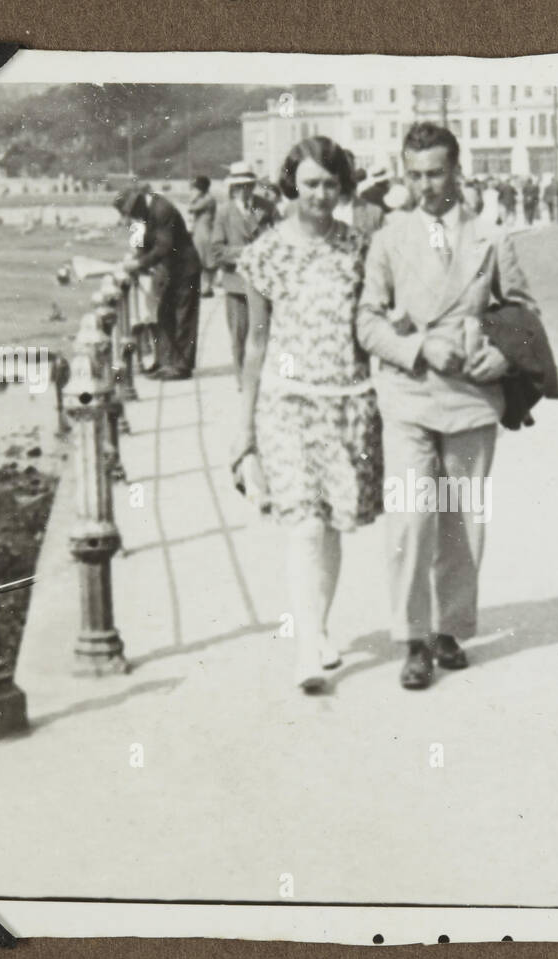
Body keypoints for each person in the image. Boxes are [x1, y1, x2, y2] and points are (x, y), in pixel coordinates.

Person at [357, 122, 538, 691]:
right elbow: (366, 320)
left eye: (436, 173)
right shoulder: (388, 238)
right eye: (414, 175)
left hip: (470, 400)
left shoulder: (491, 237)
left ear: (457, 171)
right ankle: (412, 639)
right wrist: (414, 346)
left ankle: (449, 629)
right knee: (412, 519)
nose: (426, 186)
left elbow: (525, 317)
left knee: (461, 521)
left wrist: (505, 360)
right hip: (409, 394)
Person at [231, 137, 384, 692]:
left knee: (334, 524)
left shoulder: (360, 248)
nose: (320, 194)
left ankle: (319, 628)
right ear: (291, 183)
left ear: (343, 187)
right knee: (304, 525)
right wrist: (243, 430)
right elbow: (255, 344)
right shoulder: (264, 253)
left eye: (330, 184)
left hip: (347, 402)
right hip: (285, 403)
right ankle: (306, 651)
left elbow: (376, 324)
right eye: (310, 182)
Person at [112, 184, 202, 381]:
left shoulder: (162, 210)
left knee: (183, 316)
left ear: (139, 202)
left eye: (131, 212)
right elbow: (145, 242)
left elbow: (163, 246)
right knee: (164, 315)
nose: (132, 216)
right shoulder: (147, 209)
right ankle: (164, 361)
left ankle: (181, 366)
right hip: (171, 270)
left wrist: (138, 263)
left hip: (185, 269)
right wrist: (138, 258)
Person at [211, 160, 275, 390]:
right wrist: (248, 252)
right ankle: (243, 380)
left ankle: (262, 377)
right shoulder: (223, 213)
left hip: (264, 283)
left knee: (263, 332)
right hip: (236, 284)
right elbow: (217, 251)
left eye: (249, 185)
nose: (246, 190)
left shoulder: (266, 208)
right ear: (233, 188)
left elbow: (278, 240)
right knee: (238, 335)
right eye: (241, 186)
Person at [188, 176, 218, 297]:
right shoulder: (207, 198)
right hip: (200, 230)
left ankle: (206, 287)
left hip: (204, 231)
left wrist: (193, 198)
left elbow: (191, 208)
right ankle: (205, 287)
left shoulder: (208, 199)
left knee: (204, 260)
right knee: (202, 259)